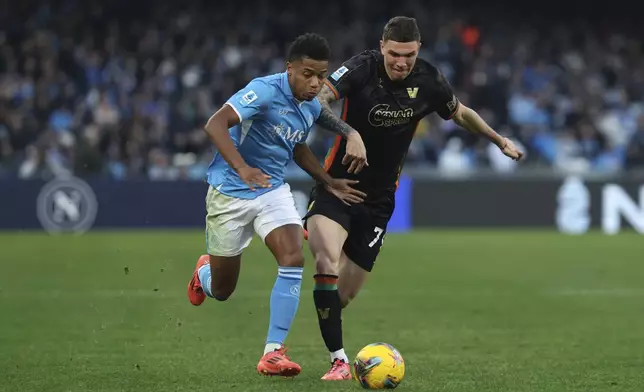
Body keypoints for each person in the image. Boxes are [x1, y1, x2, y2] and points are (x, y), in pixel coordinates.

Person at [304, 16, 524, 380]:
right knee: (325, 261)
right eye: (393, 54)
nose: (400, 62)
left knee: (341, 295)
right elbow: (319, 101)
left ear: (418, 50)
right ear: (382, 47)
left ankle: (321, 295)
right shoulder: (361, 68)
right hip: (337, 186)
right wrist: (349, 132)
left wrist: (499, 140)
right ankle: (339, 361)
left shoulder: (429, 79)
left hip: (379, 202)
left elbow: (461, 114)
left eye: (408, 55)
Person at [185, 32, 367, 378]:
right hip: (230, 191)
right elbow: (215, 123)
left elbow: (298, 148)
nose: (316, 83)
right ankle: (203, 273)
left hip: (270, 190)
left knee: (293, 255)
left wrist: (328, 182)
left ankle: (273, 352)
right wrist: (242, 167)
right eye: (308, 74)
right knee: (222, 290)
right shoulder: (265, 90)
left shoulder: (310, 106)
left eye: (322, 75)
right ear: (290, 69)